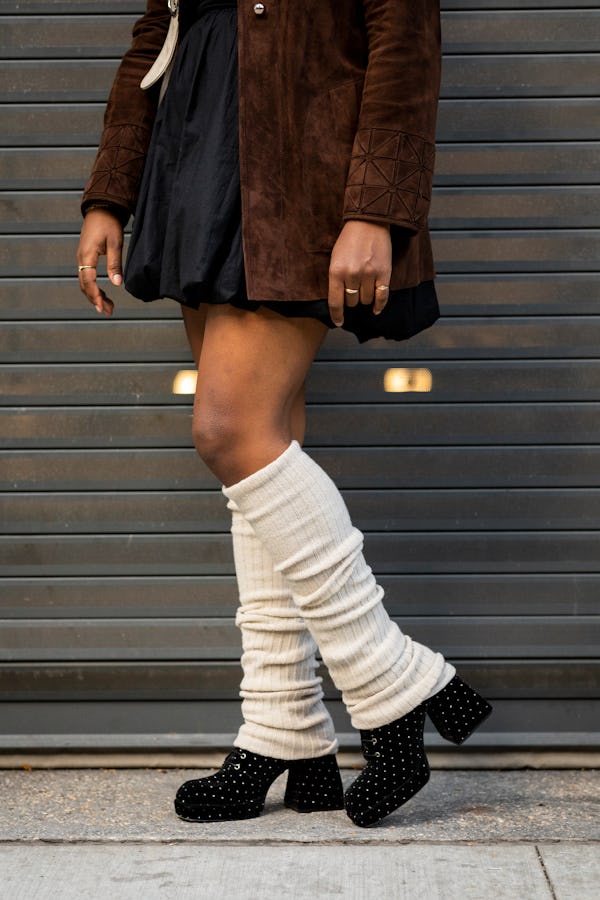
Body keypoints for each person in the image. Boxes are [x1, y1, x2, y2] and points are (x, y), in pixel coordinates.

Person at [77, 0, 492, 828]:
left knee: (229, 431)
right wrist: (109, 195)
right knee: (268, 436)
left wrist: (375, 207)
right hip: (195, 152)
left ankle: (395, 680)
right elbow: (153, 38)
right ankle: (286, 728)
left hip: (300, 164)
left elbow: (403, 39)